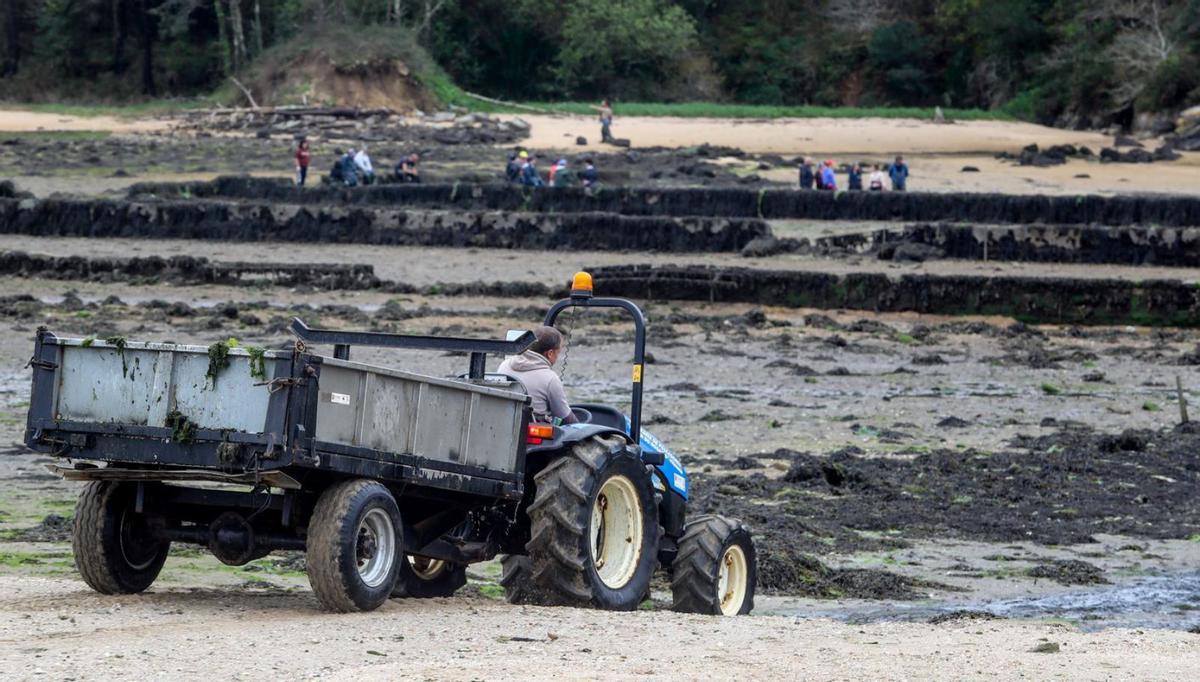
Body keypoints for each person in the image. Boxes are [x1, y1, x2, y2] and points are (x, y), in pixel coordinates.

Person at [497, 326, 578, 425]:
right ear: (550, 353)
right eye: (558, 352)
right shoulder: (550, 379)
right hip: (532, 432)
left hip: (504, 423)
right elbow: (565, 417)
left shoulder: (504, 365)